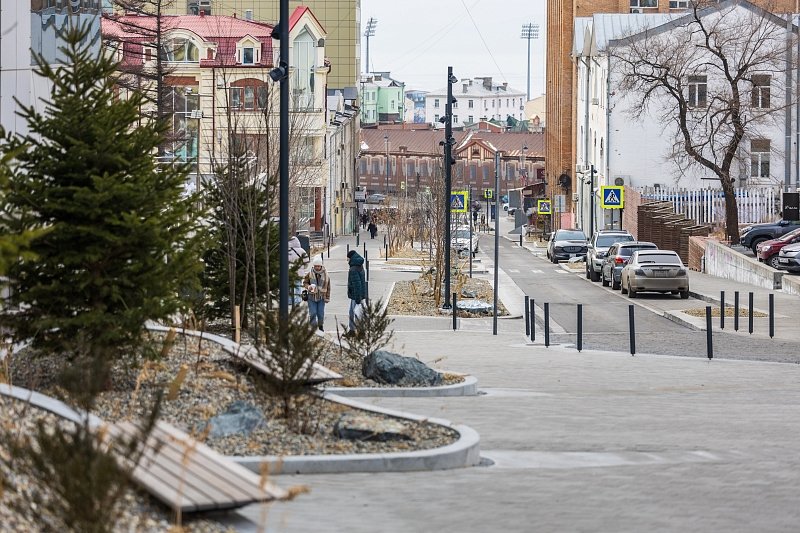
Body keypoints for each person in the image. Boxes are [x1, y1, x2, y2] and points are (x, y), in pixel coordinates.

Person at [303, 257, 330, 331]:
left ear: (321, 265)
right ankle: (313, 328)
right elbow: (305, 282)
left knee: (320, 314)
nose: (317, 267)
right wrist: (308, 286)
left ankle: (320, 326)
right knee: (313, 313)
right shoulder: (310, 273)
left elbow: (328, 287)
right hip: (311, 297)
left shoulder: (326, 275)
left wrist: (327, 297)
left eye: (318, 266)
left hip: (321, 297)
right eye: (315, 266)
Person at [345, 250, 366, 337]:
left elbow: (357, 284)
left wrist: (357, 298)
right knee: (357, 313)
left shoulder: (353, 269)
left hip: (356, 295)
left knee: (354, 313)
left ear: (351, 258)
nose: (347, 261)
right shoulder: (360, 265)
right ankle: (356, 331)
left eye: (347, 259)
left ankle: (355, 332)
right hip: (360, 294)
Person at [288, 235, 309, 304]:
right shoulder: (302, 251)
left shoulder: (287, 250)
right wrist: (303, 267)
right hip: (299, 273)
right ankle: (297, 300)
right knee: (297, 286)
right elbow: (306, 261)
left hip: (289, 272)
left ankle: (289, 300)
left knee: (289, 286)